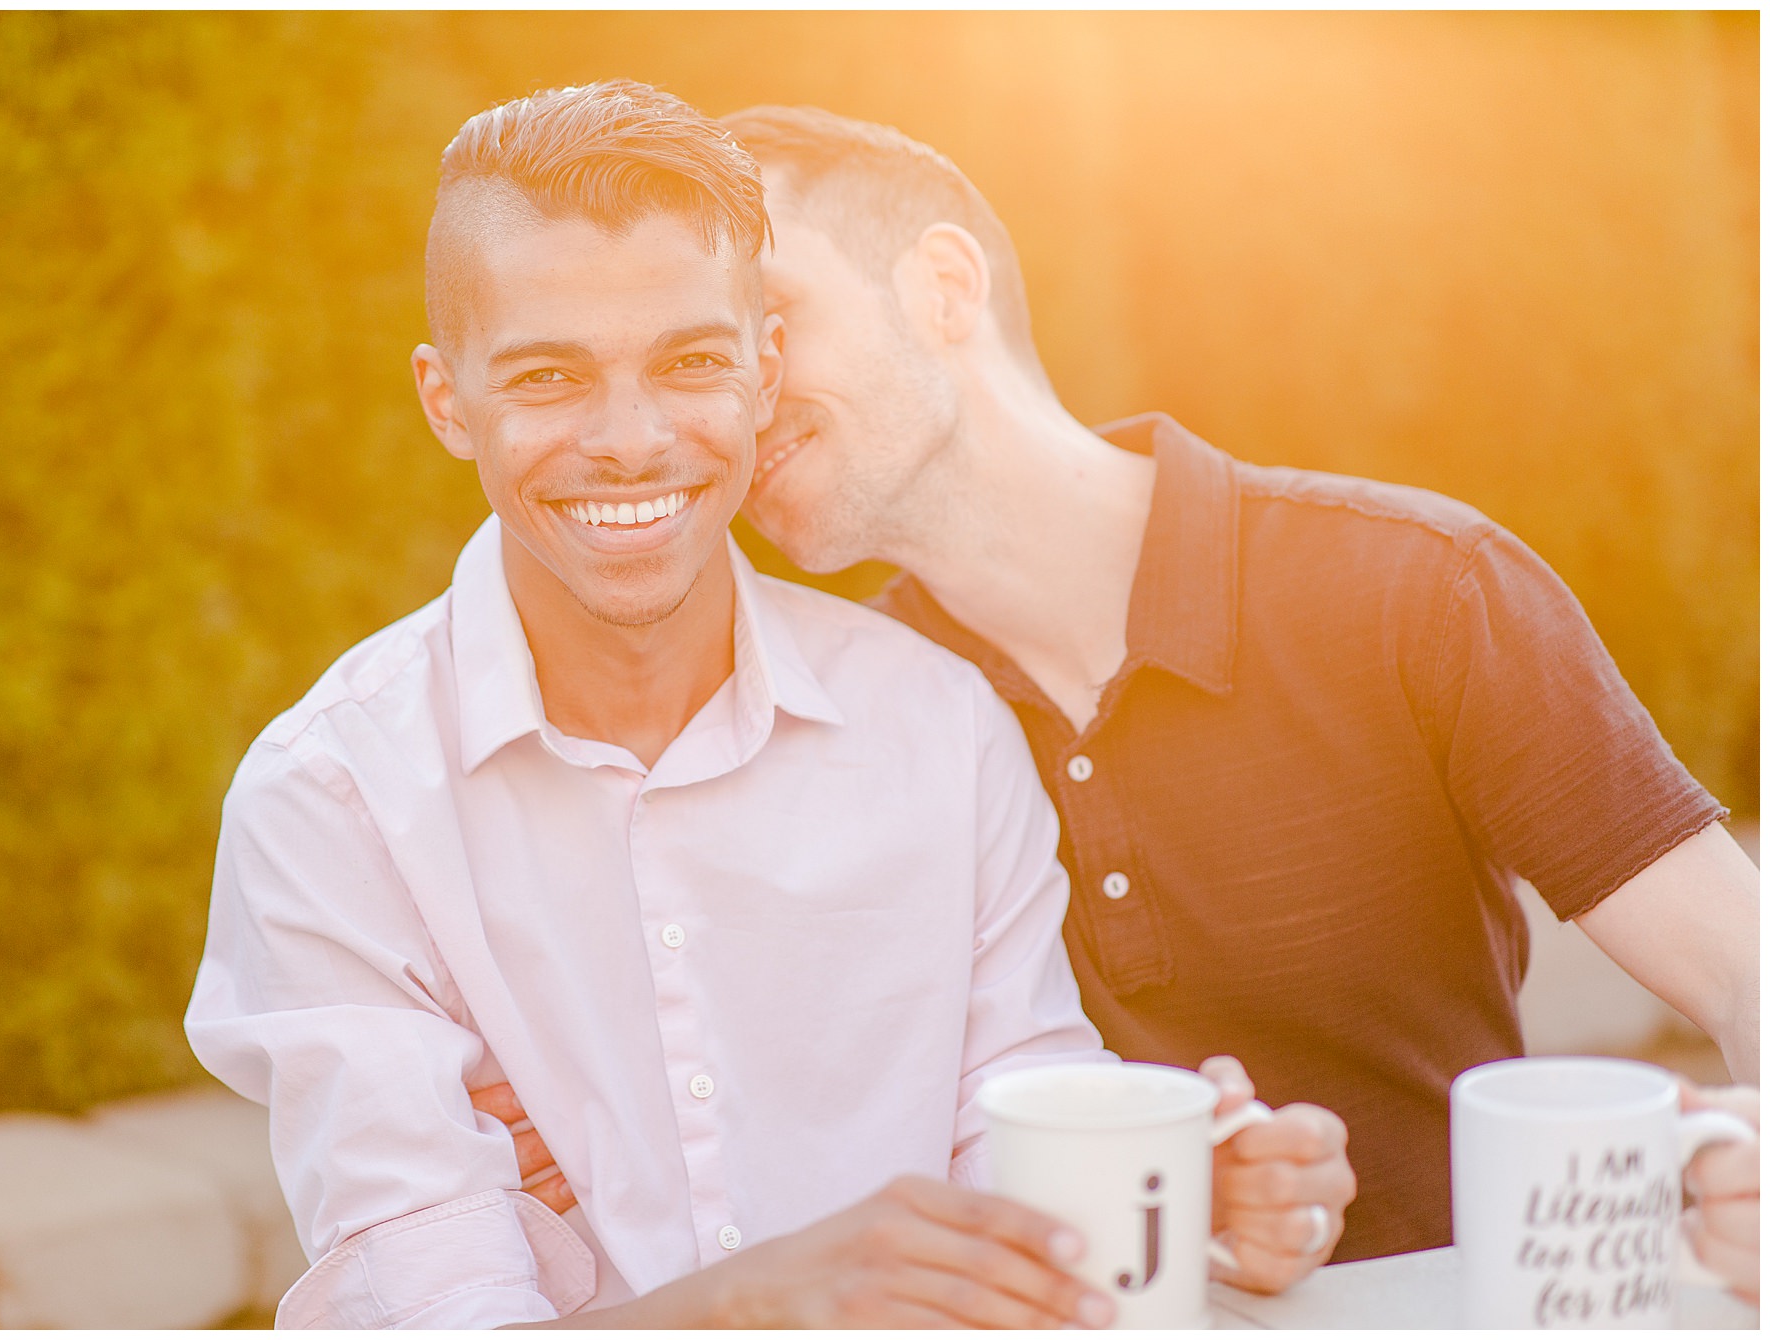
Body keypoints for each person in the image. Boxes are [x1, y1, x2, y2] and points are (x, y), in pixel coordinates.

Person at [184, 81, 1355, 1329]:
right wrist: (774, 1298)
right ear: (445, 400)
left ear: (763, 372)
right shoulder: (332, 801)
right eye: (547, 376)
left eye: (689, 362)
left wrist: (1183, 1203)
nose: (629, 439)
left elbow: (1019, 1163)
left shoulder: (939, 731)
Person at [710, 102, 1761, 1270]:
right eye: (698, 360)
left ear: (942, 290)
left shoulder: (1419, 590)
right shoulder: (825, 723)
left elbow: (1741, 964)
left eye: (769, 323)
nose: (724, 403)